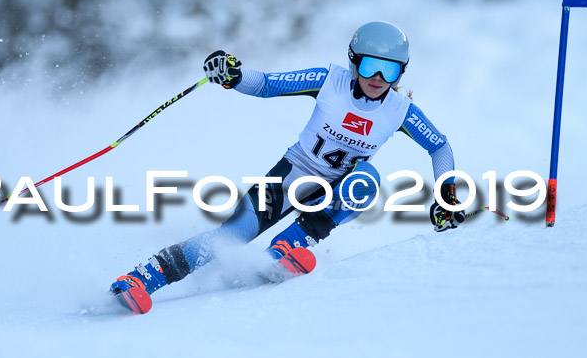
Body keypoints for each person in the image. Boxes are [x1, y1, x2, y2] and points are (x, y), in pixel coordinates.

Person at [110, 21, 465, 312]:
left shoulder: (399, 110)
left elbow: (439, 145)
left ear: (400, 73)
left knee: (366, 181)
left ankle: (284, 249)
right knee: (229, 237)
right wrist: (233, 76)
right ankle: (141, 279)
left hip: (337, 189)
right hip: (291, 175)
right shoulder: (330, 81)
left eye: (389, 71)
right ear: (354, 61)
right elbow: (267, 85)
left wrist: (446, 197)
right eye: (369, 66)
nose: (377, 78)